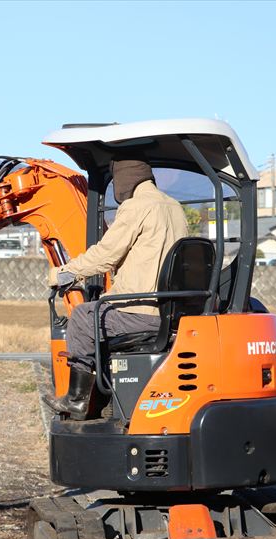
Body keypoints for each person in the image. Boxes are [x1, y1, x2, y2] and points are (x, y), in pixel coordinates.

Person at [45, 159, 188, 419]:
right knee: (96, 315)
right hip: (171, 311)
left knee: (83, 317)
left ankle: (76, 400)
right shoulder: (174, 206)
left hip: (140, 312)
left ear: (124, 180)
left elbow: (106, 254)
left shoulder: (136, 207)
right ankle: (103, 399)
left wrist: (66, 273)